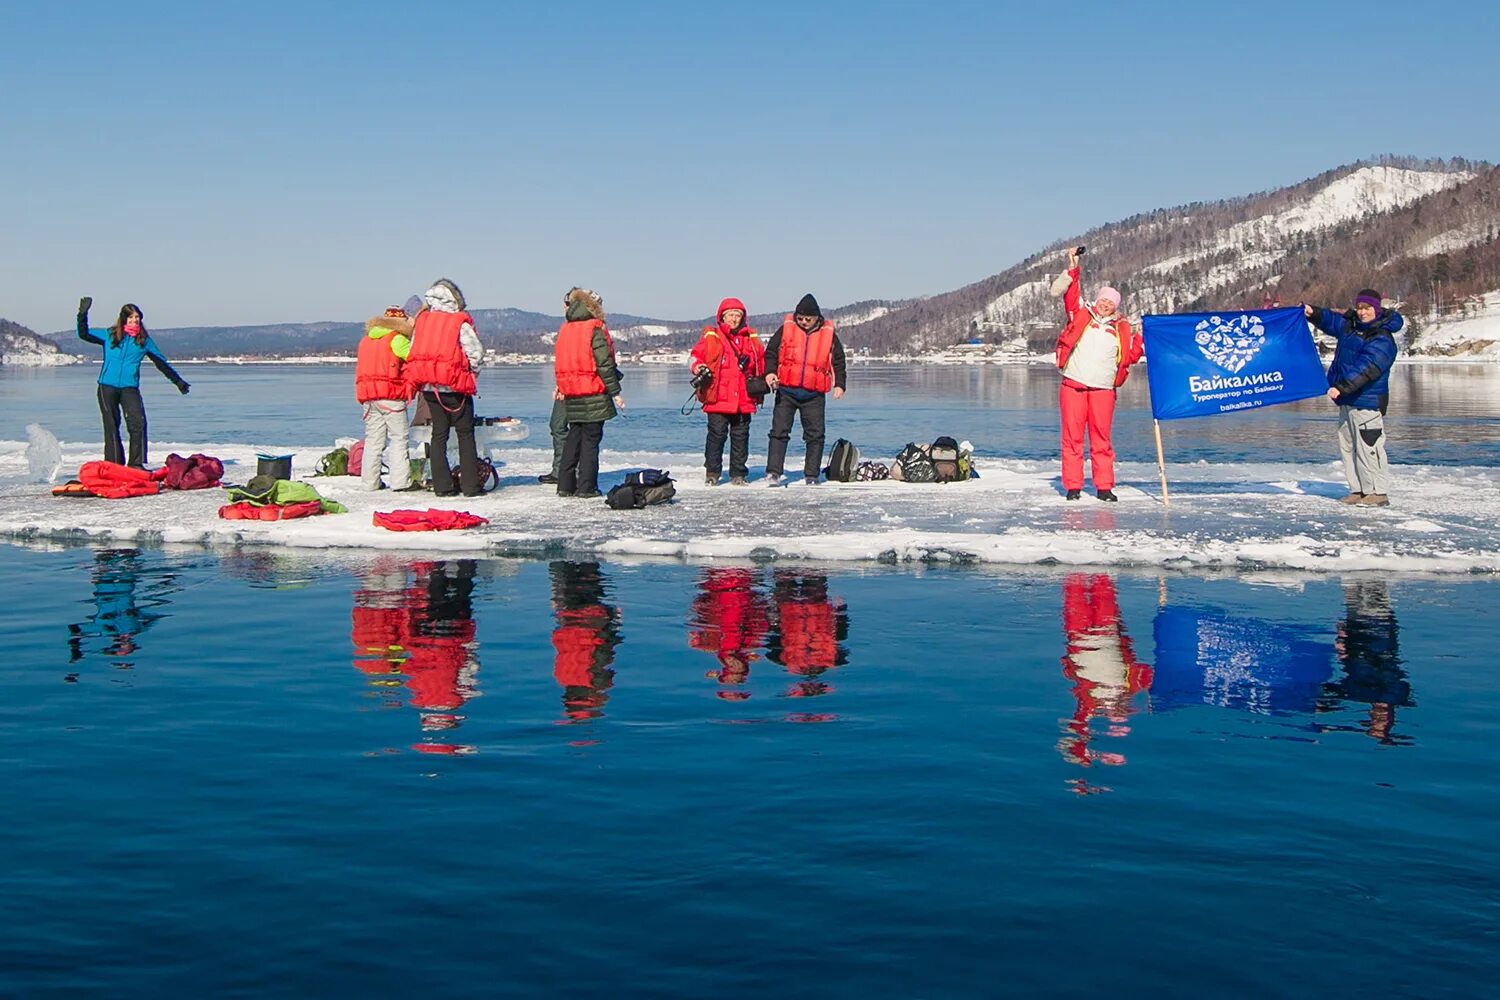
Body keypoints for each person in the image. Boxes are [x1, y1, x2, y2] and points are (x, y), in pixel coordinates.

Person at [1050, 247, 1143, 501]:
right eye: (1103, 300)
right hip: (1073, 386)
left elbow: (1130, 357)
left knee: (1101, 439)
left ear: (1115, 307)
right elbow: (1071, 294)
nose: (1105, 305)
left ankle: (1104, 487)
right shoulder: (1081, 315)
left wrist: (1143, 336)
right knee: (1072, 439)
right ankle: (1073, 486)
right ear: (1097, 300)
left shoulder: (1121, 328)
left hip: (1103, 389)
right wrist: (1073, 266)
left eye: (1110, 303)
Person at [1303, 290, 1402, 507]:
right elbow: (1332, 321)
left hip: (1366, 402)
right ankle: (1358, 489)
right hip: (1347, 401)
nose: (1363, 312)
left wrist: (1341, 387)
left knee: (1369, 448)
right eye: (1360, 308)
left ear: (1376, 309)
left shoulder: (1382, 338)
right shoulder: (1352, 327)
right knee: (1348, 447)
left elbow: (1367, 368)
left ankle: (1377, 492)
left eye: (1368, 308)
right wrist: (1313, 313)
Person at [75, 297, 190, 468]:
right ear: (124, 319)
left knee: (138, 423)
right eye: (131, 318)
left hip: (130, 388)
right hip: (107, 387)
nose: (134, 321)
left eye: (137, 318)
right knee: (112, 425)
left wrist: (178, 382)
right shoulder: (109, 335)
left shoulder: (143, 341)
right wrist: (82, 314)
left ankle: (136, 464)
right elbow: (84, 334)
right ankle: (114, 464)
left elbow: (161, 363)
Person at [403, 279, 483, 497]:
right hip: (456, 388)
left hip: (430, 388)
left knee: (439, 435)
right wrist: (472, 373)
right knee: (466, 435)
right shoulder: (459, 322)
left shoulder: (422, 322)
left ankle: (442, 486)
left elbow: (412, 351)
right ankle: (470, 486)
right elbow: (476, 352)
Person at [763, 293, 846, 485]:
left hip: (814, 394)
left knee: (815, 435)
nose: (804, 322)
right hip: (786, 391)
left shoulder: (828, 333)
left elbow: (838, 361)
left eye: (808, 319)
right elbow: (771, 353)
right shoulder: (786, 328)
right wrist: (769, 373)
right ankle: (773, 471)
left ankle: (811, 474)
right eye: (800, 318)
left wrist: (840, 384)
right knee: (778, 432)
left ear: (817, 317)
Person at [553, 287, 623, 498]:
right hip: (593, 391)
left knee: (574, 436)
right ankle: (587, 487)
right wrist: (615, 391)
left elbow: (560, 361)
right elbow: (604, 363)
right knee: (591, 441)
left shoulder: (565, 329)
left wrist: (561, 386)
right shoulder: (595, 328)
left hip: (572, 392)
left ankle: (565, 485)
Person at [690, 297, 766, 485]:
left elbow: (762, 363)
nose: (733, 319)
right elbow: (694, 357)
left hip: (743, 399)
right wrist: (698, 367)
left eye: (737, 315)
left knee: (741, 437)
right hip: (717, 398)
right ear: (722, 317)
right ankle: (712, 473)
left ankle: (738, 473)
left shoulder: (750, 339)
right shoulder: (712, 336)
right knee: (716, 436)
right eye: (730, 315)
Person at [355, 305, 419, 491]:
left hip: (368, 397)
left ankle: (370, 483)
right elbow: (413, 358)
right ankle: (401, 482)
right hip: (391, 395)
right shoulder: (396, 339)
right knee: (399, 438)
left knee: (374, 440)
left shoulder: (365, 341)